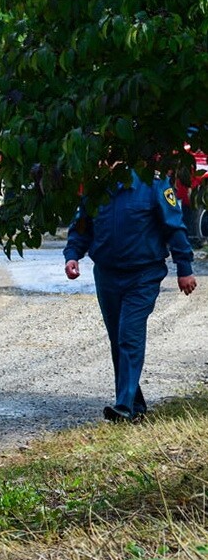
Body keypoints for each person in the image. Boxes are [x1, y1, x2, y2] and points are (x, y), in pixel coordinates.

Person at [63, 173, 197, 422]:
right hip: (107, 275)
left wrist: (185, 268)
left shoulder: (154, 185)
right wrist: (72, 255)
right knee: (117, 338)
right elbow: (82, 226)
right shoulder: (96, 187)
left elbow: (174, 227)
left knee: (129, 334)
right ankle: (135, 403)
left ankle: (123, 405)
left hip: (143, 274)